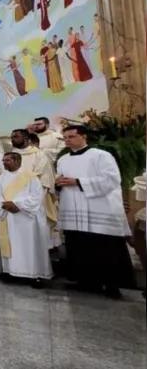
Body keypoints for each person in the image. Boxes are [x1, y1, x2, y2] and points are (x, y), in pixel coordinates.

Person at [56, 125, 135, 298]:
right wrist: (58, 184)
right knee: (78, 245)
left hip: (98, 208)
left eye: (71, 136)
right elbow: (60, 181)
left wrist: (78, 182)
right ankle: (85, 282)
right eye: (65, 138)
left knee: (105, 247)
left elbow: (112, 179)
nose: (67, 140)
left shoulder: (101, 156)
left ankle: (112, 285)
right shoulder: (63, 160)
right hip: (74, 209)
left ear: (84, 137)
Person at [0, 152, 52, 285]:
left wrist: (16, 204)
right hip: (8, 216)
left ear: (17, 161)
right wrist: (3, 204)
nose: (4, 163)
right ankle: (11, 272)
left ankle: (34, 274)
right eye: (3, 160)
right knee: (11, 245)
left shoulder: (30, 177)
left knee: (28, 245)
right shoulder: (2, 177)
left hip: (26, 218)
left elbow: (37, 196)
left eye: (7, 160)